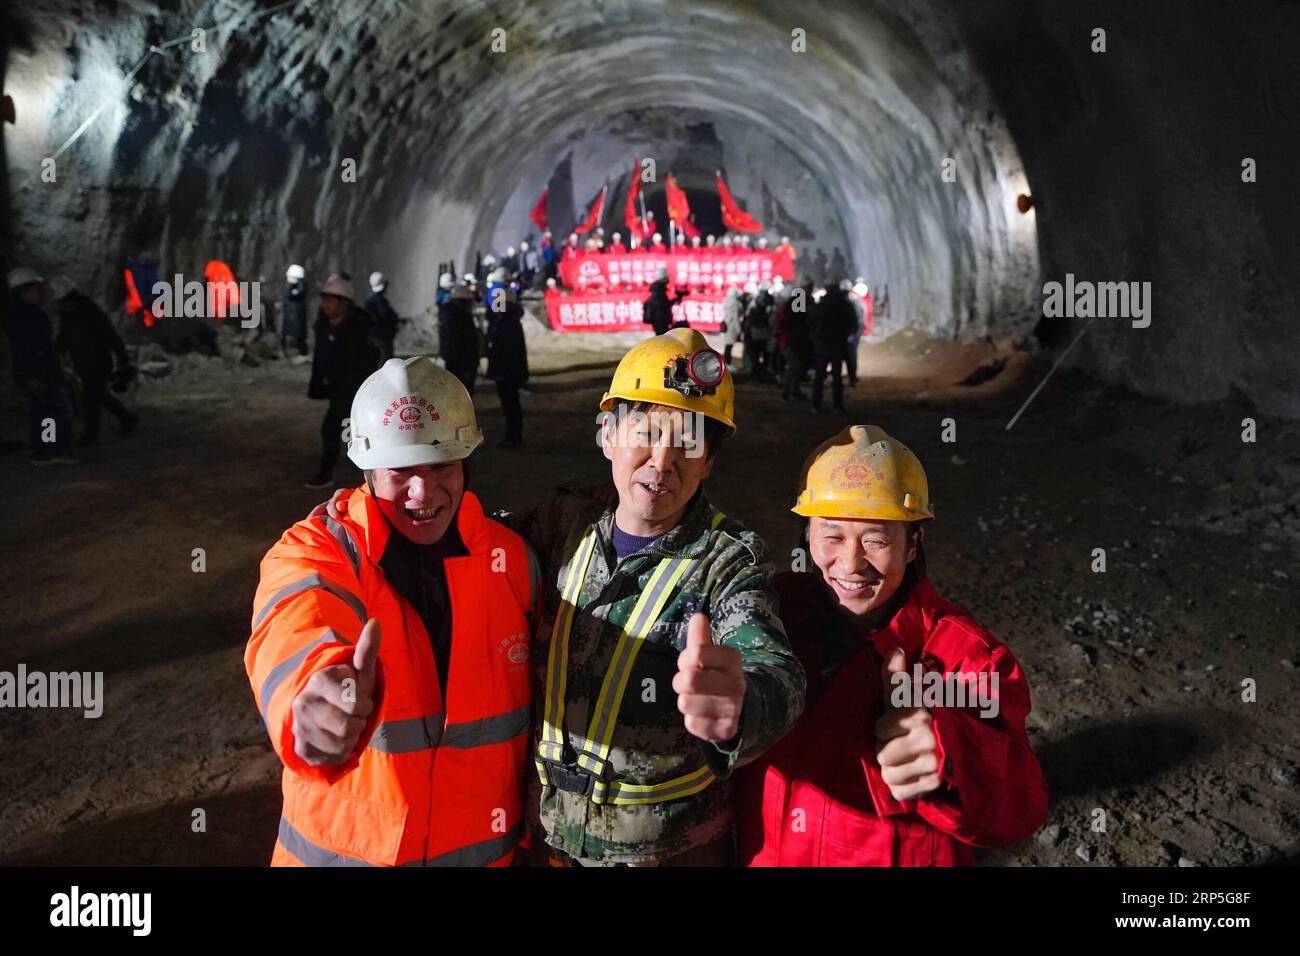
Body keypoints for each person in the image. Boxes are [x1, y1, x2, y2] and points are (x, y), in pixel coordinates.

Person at [503, 329, 805, 865]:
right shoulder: (561, 521)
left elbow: (774, 669)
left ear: (709, 461)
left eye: (689, 443)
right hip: (549, 844)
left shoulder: (728, 562)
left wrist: (741, 705)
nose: (663, 461)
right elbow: (465, 544)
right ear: (608, 436)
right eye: (646, 432)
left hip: (667, 856)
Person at [247, 357, 536, 866]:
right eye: (400, 471)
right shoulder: (319, 550)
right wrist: (307, 697)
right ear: (368, 469)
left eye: (440, 466)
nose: (422, 493)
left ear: (466, 462)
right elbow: (296, 617)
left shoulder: (512, 561)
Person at [737, 426, 1048, 865]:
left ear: (912, 544)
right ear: (805, 536)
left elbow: (1019, 809)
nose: (850, 563)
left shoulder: (967, 657)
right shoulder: (768, 617)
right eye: (831, 535)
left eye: (876, 539)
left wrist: (949, 752)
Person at [306, 274, 379, 489]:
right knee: (335, 429)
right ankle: (332, 470)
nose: (325, 304)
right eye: (324, 299)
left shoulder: (359, 331)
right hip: (338, 390)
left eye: (331, 300)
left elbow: (367, 362)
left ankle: (372, 474)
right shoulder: (326, 327)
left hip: (355, 391)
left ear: (344, 303)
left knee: (351, 431)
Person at [4, 268, 80, 465]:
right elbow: (27, 351)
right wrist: (34, 376)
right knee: (54, 413)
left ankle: (45, 451)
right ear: (23, 292)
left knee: (43, 412)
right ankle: (53, 451)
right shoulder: (25, 318)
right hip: (40, 374)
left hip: (39, 373)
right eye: (36, 289)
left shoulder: (24, 315)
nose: (41, 293)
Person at [52, 278, 139, 446]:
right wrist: (57, 351)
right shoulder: (70, 314)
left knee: (91, 398)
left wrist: (123, 361)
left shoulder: (91, 313)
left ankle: (91, 435)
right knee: (99, 396)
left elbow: (111, 337)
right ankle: (126, 419)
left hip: (98, 362)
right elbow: (64, 337)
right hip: (84, 362)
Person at [486, 280, 528, 448]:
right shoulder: (506, 321)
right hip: (508, 372)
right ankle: (512, 436)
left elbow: (507, 351)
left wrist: (500, 371)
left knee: (511, 405)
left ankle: (514, 438)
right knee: (510, 405)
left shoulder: (508, 324)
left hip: (507, 373)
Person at [810, 278, 856, 412]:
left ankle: (816, 405)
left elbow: (811, 322)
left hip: (822, 345)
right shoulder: (845, 305)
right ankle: (837, 404)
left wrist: (815, 338)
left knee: (819, 376)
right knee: (837, 376)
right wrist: (845, 336)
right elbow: (853, 323)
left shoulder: (820, 305)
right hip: (838, 344)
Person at [775, 280, 814, 402]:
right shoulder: (799, 300)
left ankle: (795, 391)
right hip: (791, 341)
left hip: (795, 340)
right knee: (794, 366)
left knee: (798, 366)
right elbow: (797, 323)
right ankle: (785, 392)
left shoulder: (799, 300)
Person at [364, 272, 400, 363]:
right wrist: (395, 319)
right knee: (384, 363)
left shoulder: (370, 299)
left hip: (375, 336)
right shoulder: (379, 301)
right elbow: (386, 316)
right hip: (382, 337)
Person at [743, 281, 774, 381]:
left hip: (758, 336)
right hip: (761, 336)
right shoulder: (762, 310)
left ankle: (758, 375)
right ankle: (759, 375)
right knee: (761, 357)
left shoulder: (755, 309)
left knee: (757, 357)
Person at [642, 267, 684, 336]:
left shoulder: (657, 288)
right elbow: (660, 304)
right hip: (660, 320)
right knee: (662, 338)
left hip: (659, 319)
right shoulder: (658, 289)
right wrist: (674, 300)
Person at [282, 264, 308, 357]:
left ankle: (300, 351)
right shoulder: (292, 288)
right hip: (292, 317)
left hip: (296, 317)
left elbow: (293, 295)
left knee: (298, 334)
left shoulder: (300, 288)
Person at [720, 286, 743, 367]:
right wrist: (739, 330)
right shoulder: (736, 303)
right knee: (729, 347)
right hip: (732, 327)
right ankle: (727, 364)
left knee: (727, 345)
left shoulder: (726, 301)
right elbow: (736, 317)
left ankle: (726, 363)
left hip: (726, 325)